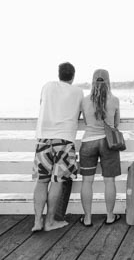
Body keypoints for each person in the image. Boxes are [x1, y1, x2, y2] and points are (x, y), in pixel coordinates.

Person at [32, 62, 83, 231]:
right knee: (57, 182)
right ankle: (50, 222)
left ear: (59, 74)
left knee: (41, 181)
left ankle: (37, 221)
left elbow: (42, 104)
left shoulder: (47, 86)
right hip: (64, 140)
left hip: (43, 139)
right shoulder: (78, 91)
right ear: (73, 76)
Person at [79, 69, 121, 226]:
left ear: (92, 81)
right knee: (109, 181)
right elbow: (116, 124)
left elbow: (84, 121)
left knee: (86, 181)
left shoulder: (84, 100)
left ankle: (88, 218)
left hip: (88, 141)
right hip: (108, 143)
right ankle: (110, 216)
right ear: (108, 81)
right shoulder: (115, 100)